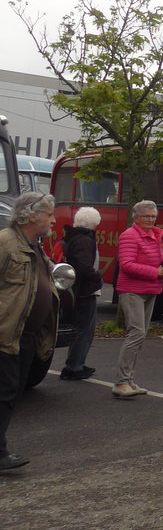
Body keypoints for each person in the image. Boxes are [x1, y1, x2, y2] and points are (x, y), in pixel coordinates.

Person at [0, 192, 59, 470]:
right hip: (6, 334)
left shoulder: (35, 245)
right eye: (49, 214)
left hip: (26, 336)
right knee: (4, 393)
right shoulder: (5, 243)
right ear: (32, 215)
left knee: (12, 393)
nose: (53, 220)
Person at [113, 200, 163, 399]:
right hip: (132, 290)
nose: (151, 220)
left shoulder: (155, 235)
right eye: (146, 216)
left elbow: (157, 260)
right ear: (135, 217)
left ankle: (128, 380)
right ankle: (121, 382)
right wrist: (156, 272)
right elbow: (127, 265)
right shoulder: (129, 236)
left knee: (141, 334)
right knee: (136, 333)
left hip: (150, 288)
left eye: (153, 216)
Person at [60, 206, 103, 380]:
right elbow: (85, 266)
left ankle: (74, 364)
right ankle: (74, 367)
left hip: (75, 290)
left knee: (80, 329)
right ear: (94, 222)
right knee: (85, 330)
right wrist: (97, 277)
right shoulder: (84, 240)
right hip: (84, 291)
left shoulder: (73, 237)